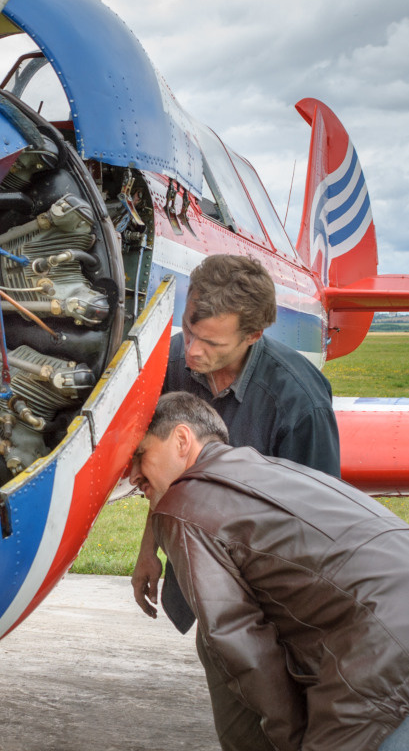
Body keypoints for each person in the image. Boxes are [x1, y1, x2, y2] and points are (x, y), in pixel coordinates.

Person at [131, 392, 409, 751]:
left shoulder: (184, 505)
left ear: (182, 440)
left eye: (140, 454)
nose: (132, 476)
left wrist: (294, 739)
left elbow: (239, 646)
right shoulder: (274, 469)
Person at [132, 254, 341, 749]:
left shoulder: (299, 402)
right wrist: (150, 549)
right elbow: (161, 472)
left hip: (281, 602)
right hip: (216, 594)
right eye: (190, 330)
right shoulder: (170, 365)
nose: (193, 352)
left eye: (212, 343)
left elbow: (319, 525)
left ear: (253, 336)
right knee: (241, 732)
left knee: (298, 729)